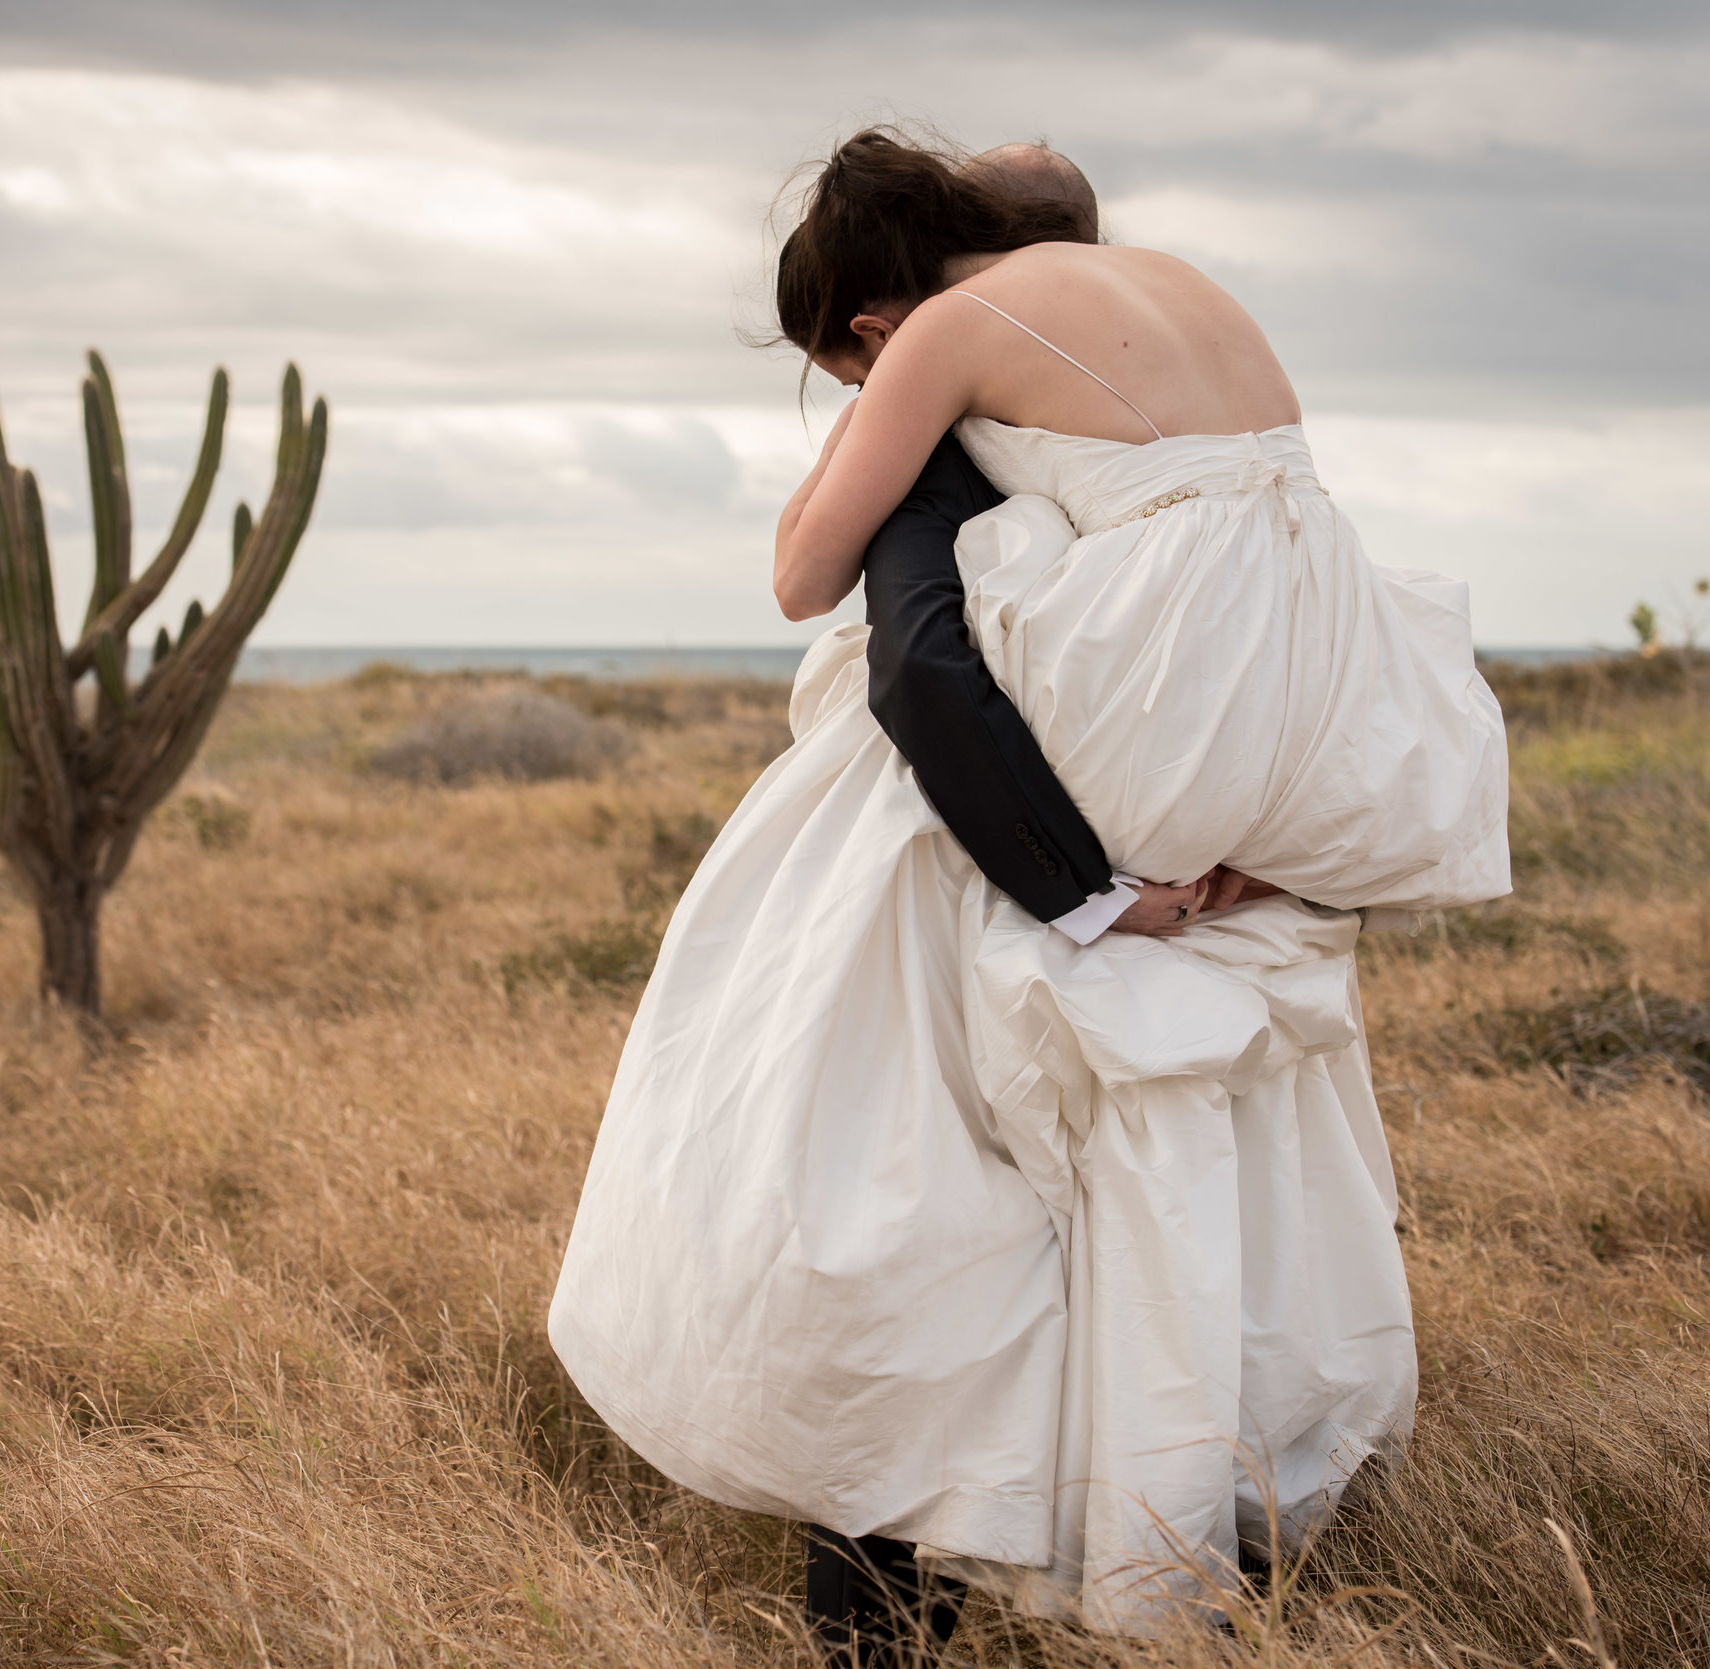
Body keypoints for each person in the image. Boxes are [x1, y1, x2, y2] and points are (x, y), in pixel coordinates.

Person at [547, 127, 1511, 1652]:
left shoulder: (942, 335)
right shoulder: (1180, 285)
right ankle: (1167, 1516)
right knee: (1173, 1170)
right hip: (1295, 686)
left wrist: (1076, 880)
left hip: (1137, 719)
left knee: (892, 1109)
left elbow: (823, 583)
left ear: (867, 321)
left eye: (847, 368)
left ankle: (897, 1574)